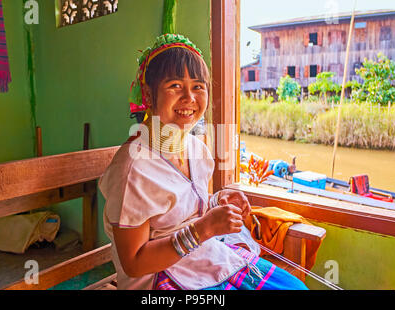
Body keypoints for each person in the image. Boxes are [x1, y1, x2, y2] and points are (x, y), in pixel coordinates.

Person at [98, 34, 308, 290]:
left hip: (200, 258)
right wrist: (204, 230)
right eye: (175, 85)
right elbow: (134, 263)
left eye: (198, 86)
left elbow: (186, 210)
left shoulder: (196, 148)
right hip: (157, 279)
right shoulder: (134, 167)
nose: (189, 97)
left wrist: (218, 201)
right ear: (148, 94)